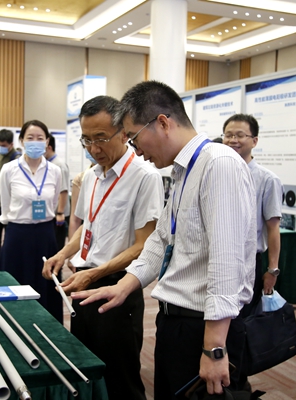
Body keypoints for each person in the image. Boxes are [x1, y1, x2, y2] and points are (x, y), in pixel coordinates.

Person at [71, 81, 257, 399]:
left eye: (134, 137)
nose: (135, 149)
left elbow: (227, 262)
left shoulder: (219, 164)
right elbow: (160, 241)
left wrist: (214, 348)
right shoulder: (184, 170)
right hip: (176, 322)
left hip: (204, 326)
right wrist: (124, 286)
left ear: (162, 123)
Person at [43, 95, 164, 400]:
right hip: (84, 282)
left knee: (120, 378)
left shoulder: (145, 176)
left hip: (117, 287)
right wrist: (63, 254)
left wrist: (95, 274)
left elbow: (144, 245)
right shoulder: (92, 175)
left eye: (100, 138)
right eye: (86, 140)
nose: (93, 148)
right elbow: (88, 225)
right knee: (86, 368)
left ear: (124, 133)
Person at [222, 113, 283, 390]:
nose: (233, 140)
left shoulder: (267, 179)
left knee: (239, 326)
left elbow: (273, 229)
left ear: (254, 141)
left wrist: (272, 270)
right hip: (219, 260)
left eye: (240, 135)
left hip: (248, 262)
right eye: (228, 135)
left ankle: (237, 384)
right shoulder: (219, 172)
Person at [0, 120, 63, 322]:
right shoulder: (9, 169)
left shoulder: (55, 171)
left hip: (45, 234)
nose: (35, 142)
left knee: (46, 284)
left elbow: (53, 202)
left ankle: (47, 325)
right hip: (17, 234)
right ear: (21, 141)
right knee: (15, 281)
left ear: (47, 141)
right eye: (30, 138)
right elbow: (6, 206)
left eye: (40, 138)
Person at [0, 129, 21, 270]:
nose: (0, 147)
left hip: (9, 206)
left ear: (11, 144)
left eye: (3, 145)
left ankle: (7, 266)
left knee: (9, 239)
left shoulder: (16, 158)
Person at [44, 135, 69, 251]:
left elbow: (63, 191)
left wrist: (60, 212)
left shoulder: (59, 165)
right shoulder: (47, 164)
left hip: (58, 214)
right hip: (50, 213)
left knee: (56, 247)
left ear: (49, 147)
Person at [68, 149, 96, 241]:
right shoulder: (80, 179)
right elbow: (75, 219)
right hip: (86, 235)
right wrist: (71, 245)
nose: (93, 149)